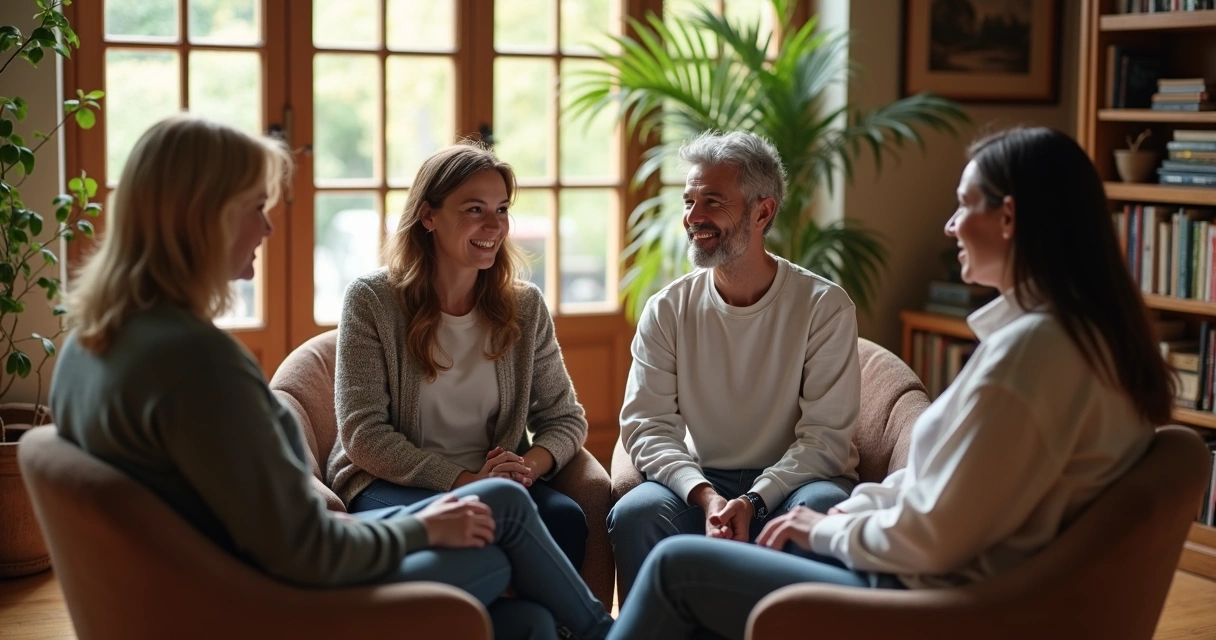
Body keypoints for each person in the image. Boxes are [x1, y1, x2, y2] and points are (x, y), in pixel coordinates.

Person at [49, 115, 613, 640]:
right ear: (201, 215)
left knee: (532, 619)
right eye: (256, 206)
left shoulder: (90, 345)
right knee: (504, 525)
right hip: (279, 607)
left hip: (216, 593)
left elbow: (277, 529)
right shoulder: (202, 366)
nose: (268, 226)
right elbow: (307, 545)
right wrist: (429, 526)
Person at [606, 126, 1175, 640]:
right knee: (667, 536)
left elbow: (938, 535)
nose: (950, 225)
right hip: (932, 576)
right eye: (691, 200)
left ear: (1008, 218)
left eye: (963, 205)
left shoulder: (1028, 358)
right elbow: (944, 492)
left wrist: (822, 529)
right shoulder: (1082, 340)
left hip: (927, 601)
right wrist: (849, 514)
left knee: (676, 568)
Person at [609, 131, 862, 601]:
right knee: (637, 513)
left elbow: (825, 440)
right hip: (704, 480)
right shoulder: (667, 310)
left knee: (827, 508)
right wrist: (707, 497)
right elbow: (647, 426)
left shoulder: (824, 307)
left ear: (762, 212)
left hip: (797, 484)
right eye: (689, 201)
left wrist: (755, 500)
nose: (693, 217)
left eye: (712, 201)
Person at [326, 141, 591, 572]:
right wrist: (467, 483)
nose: (494, 225)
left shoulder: (525, 307)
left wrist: (522, 469)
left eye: (501, 209)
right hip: (389, 481)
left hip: (497, 485)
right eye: (474, 209)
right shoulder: (372, 299)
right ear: (428, 216)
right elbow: (363, 435)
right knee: (485, 532)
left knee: (566, 520)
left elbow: (565, 418)